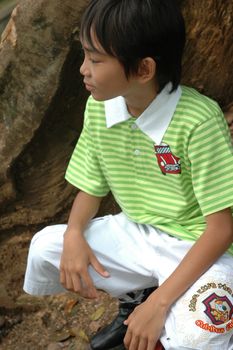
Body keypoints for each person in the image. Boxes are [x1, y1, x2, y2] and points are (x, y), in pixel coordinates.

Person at [23, 1, 233, 349]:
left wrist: (160, 303)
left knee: (203, 329)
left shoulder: (198, 121)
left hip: (199, 246)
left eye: (96, 59)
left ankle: (160, 312)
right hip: (138, 233)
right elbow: (91, 186)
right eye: (85, 56)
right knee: (47, 247)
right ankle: (137, 298)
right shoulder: (100, 108)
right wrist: (75, 232)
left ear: (143, 69)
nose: (82, 70)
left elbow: (222, 228)